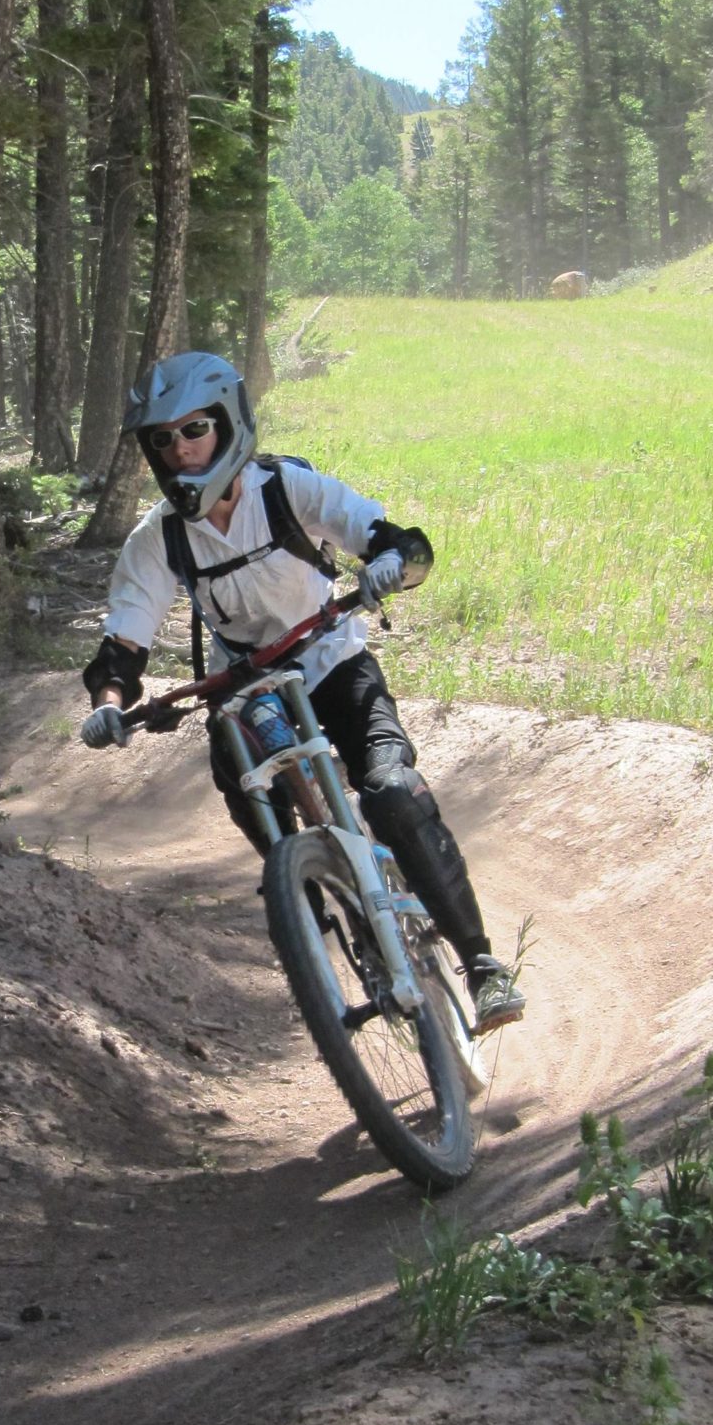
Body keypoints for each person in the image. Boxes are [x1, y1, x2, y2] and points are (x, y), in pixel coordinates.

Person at [78, 350, 524, 1031]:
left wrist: (391, 565)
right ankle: (310, 919)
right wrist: (109, 705)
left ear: (229, 425)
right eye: (162, 440)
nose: (179, 450)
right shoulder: (158, 538)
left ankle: (483, 965)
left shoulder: (288, 490)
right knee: (242, 780)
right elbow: (124, 644)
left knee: (393, 793)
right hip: (250, 686)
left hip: (333, 662)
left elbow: (396, 539)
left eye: (194, 429)